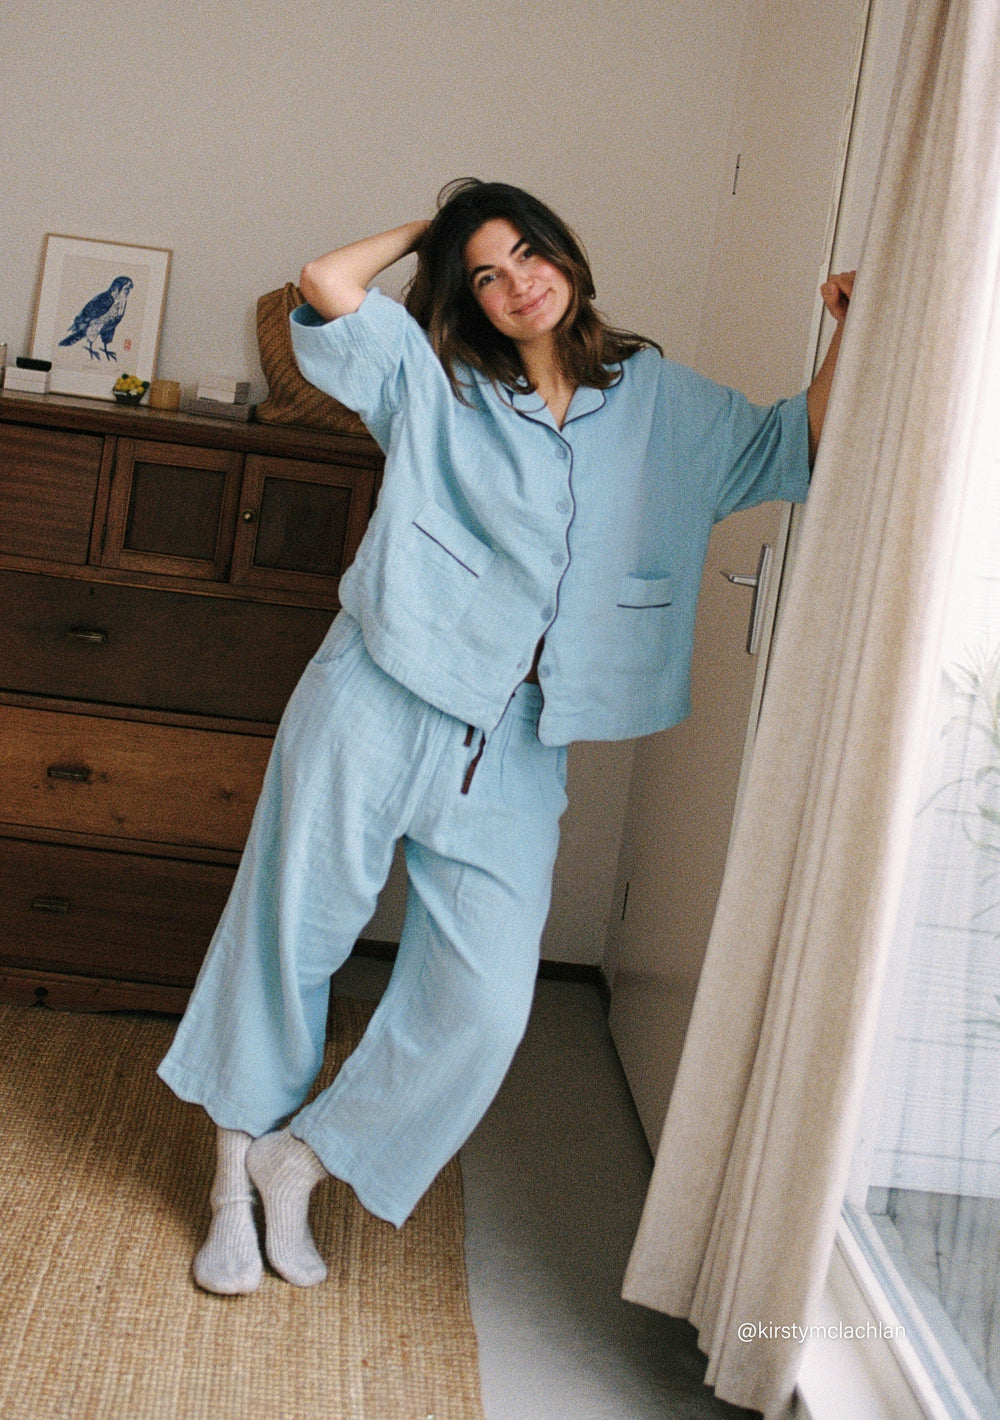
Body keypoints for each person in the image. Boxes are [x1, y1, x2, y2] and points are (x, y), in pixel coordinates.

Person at [158, 179, 853, 1295]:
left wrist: (849, 330)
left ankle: (304, 1161)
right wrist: (433, 229)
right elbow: (328, 285)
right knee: (287, 939)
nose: (515, 282)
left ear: (567, 259)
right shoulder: (428, 378)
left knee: (482, 1004)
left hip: (525, 735)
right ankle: (227, 1188)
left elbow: (792, 447)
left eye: (528, 253)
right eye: (483, 271)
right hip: (377, 694)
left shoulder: (660, 400)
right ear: (466, 295)